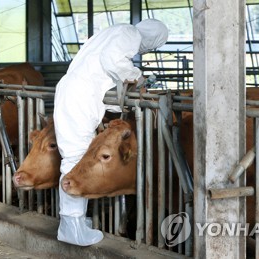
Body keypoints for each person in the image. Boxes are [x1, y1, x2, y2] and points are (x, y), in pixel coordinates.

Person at [53, 19, 169, 246]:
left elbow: (104, 75)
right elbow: (112, 61)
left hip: (77, 92)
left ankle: (76, 220)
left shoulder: (112, 32)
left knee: (77, 157)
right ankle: (71, 226)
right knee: (75, 159)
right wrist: (138, 76)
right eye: (155, 44)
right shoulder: (129, 33)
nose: (149, 48)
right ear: (154, 37)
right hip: (79, 96)